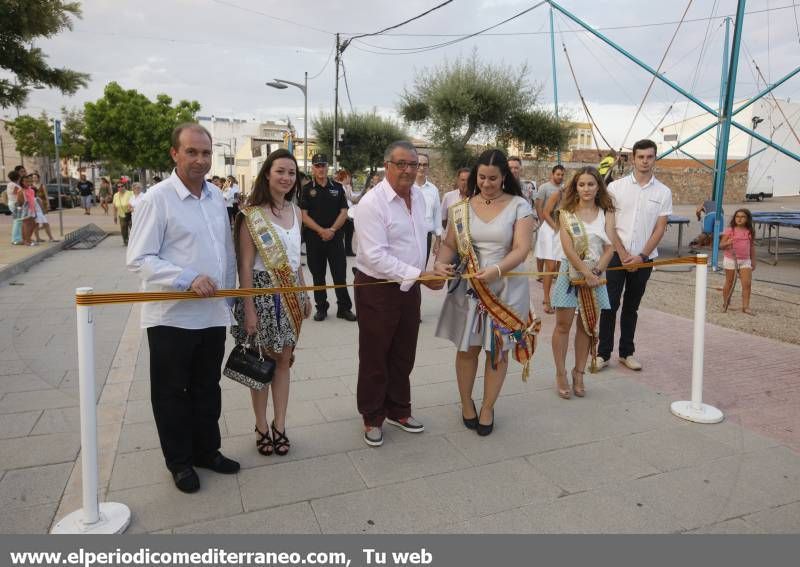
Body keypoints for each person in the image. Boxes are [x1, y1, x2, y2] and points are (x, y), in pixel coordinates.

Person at [127, 123, 239, 494]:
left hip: (211, 315)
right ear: (174, 154)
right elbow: (140, 258)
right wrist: (187, 277)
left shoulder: (216, 197)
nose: (200, 159)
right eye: (191, 152)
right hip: (171, 317)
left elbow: (224, 251)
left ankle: (208, 450)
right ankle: (179, 462)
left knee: (208, 387)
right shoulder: (156, 199)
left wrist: (231, 297)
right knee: (172, 393)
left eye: (206, 153)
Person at [433, 149, 537, 436]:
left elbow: (521, 248)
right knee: (467, 349)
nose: (487, 183)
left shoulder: (519, 206)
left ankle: (488, 406)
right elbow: (451, 245)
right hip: (469, 288)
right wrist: (440, 264)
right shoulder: (461, 209)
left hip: (504, 288)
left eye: (493, 178)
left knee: (497, 352)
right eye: (482, 177)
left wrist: (497, 271)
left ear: (505, 177)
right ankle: (467, 402)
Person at [353, 141, 444, 447]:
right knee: (375, 354)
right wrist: (420, 275)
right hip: (377, 287)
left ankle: (399, 409)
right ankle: (372, 416)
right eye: (401, 164)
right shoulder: (371, 203)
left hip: (410, 286)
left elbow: (424, 238)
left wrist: (430, 269)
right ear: (387, 165)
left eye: (413, 165)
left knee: (404, 351)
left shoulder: (419, 196)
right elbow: (375, 256)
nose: (408, 170)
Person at [232, 149, 311, 458]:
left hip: (290, 293)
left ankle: (280, 424)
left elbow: (296, 260)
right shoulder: (251, 215)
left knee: (283, 361)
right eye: (280, 171)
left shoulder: (296, 212)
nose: (286, 178)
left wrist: (303, 293)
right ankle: (261, 426)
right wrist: (249, 308)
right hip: (263, 294)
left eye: (291, 173)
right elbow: (246, 266)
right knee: (261, 361)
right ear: (267, 173)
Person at [596, 139, 672, 371]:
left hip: (644, 259)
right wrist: (622, 252)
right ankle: (603, 354)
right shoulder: (615, 188)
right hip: (617, 256)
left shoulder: (663, 192)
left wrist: (641, 256)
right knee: (609, 305)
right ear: (633, 158)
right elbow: (609, 225)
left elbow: (660, 228)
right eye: (641, 157)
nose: (645, 161)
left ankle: (626, 353)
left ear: (655, 158)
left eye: (650, 157)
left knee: (631, 307)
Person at [550, 167, 615, 399]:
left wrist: (596, 271)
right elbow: (568, 248)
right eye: (581, 184)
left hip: (596, 275)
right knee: (563, 325)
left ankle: (579, 373)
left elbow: (610, 246)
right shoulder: (566, 212)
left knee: (587, 327)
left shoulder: (606, 212)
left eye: (591, 184)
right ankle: (560, 373)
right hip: (571, 274)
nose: (586, 189)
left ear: (598, 186)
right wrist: (585, 272)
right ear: (575, 187)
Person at [298, 153, 356, 322]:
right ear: (312, 168)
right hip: (314, 239)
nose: (321, 169)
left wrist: (331, 230)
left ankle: (344, 308)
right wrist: (321, 231)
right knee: (318, 275)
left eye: (323, 165)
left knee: (339, 275)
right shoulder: (307, 189)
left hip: (335, 238)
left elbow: (344, 212)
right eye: (317, 166)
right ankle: (321, 308)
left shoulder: (337, 188)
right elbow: (304, 215)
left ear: (327, 167)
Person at [534, 165, 566, 313]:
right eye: (558, 174)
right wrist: (548, 226)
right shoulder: (548, 189)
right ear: (552, 174)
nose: (560, 177)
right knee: (551, 267)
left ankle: (559, 298)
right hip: (549, 229)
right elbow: (542, 208)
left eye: (562, 175)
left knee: (561, 267)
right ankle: (546, 300)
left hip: (561, 230)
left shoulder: (568, 192)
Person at [720, 208, 756, 315]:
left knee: (747, 284)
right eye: (737, 216)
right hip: (731, 259)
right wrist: (728, 243)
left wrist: (753, 260)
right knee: (729, 282)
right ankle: (726, 303)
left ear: (747, 219)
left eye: (742, 217)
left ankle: (746, 307)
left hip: (745, 260)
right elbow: (721, 245)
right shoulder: (730, 230)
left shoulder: (749, 231)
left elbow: (752, 247)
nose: (739, 219)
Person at [413, 153, 443, 265]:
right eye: (419, 164)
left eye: (425, 165)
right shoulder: (407, 187)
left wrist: (438, 240)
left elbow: (437, 215)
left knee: (422, 270)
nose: (422, 167)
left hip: (426, 237)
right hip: (409, 236)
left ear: (428, 167)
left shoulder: (433, 190)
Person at [335, 169, 357, 256]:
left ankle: (348, 250)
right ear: (346, 177)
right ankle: (343, 251)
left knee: (349, 232)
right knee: (341, 233)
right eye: (349, 177)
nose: (350, 179)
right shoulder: (340, 186)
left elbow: (353, 198)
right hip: (343, 213)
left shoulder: (347, 187)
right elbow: (346, 199)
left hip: (349, 213)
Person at [440, 168, 470, 232]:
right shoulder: (448, 196)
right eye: (462, 180)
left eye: (468, 180)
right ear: (458, 181)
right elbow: (443, 220)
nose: (465, 183)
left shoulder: (475, 198)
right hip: (450, 238)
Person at [31, 173, 57, 243]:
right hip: (39, 212)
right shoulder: (36, 197)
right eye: (33, 177)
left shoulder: (42, 186)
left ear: (38, 178)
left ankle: (39, 238)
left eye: (35, 177)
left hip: (39, 209)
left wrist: (48, 204)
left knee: (37, 224)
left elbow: (46, 195)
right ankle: (50, 238)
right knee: (44, 224)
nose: (34, 178)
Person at [16, 174, 38, 246]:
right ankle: (26, 240)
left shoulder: (31, 190)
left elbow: (33, 200)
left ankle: (26, 239)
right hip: (25, 209)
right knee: (26, 224)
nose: (27, 183)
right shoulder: (21, 191)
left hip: (32, 209)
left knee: (33, 224)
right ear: (22, 182)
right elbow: (20, 202)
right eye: (25, 181)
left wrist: (34, 209)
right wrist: (21, 210)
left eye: (29, 181)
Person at [7, 167, 25, 245]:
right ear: (18, 177)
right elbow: (17, 194)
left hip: (13, 203)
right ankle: (16, 239)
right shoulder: (14, 185)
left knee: (18, 221)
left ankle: (18, 238)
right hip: (16, 204)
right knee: (18, 221)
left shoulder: (11, 184)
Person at [112, 181, 133, 246]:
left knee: (133, 228)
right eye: (119, 187)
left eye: (122, 186)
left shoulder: (130, 193)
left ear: (125, 187)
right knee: (123, 229)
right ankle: (126, 241)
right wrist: (115, 216)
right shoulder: (116, 195)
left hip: (131, 214)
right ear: (117, 188)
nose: (120, 188)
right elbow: (114, 207)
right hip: (122, 215)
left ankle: (135, 241)